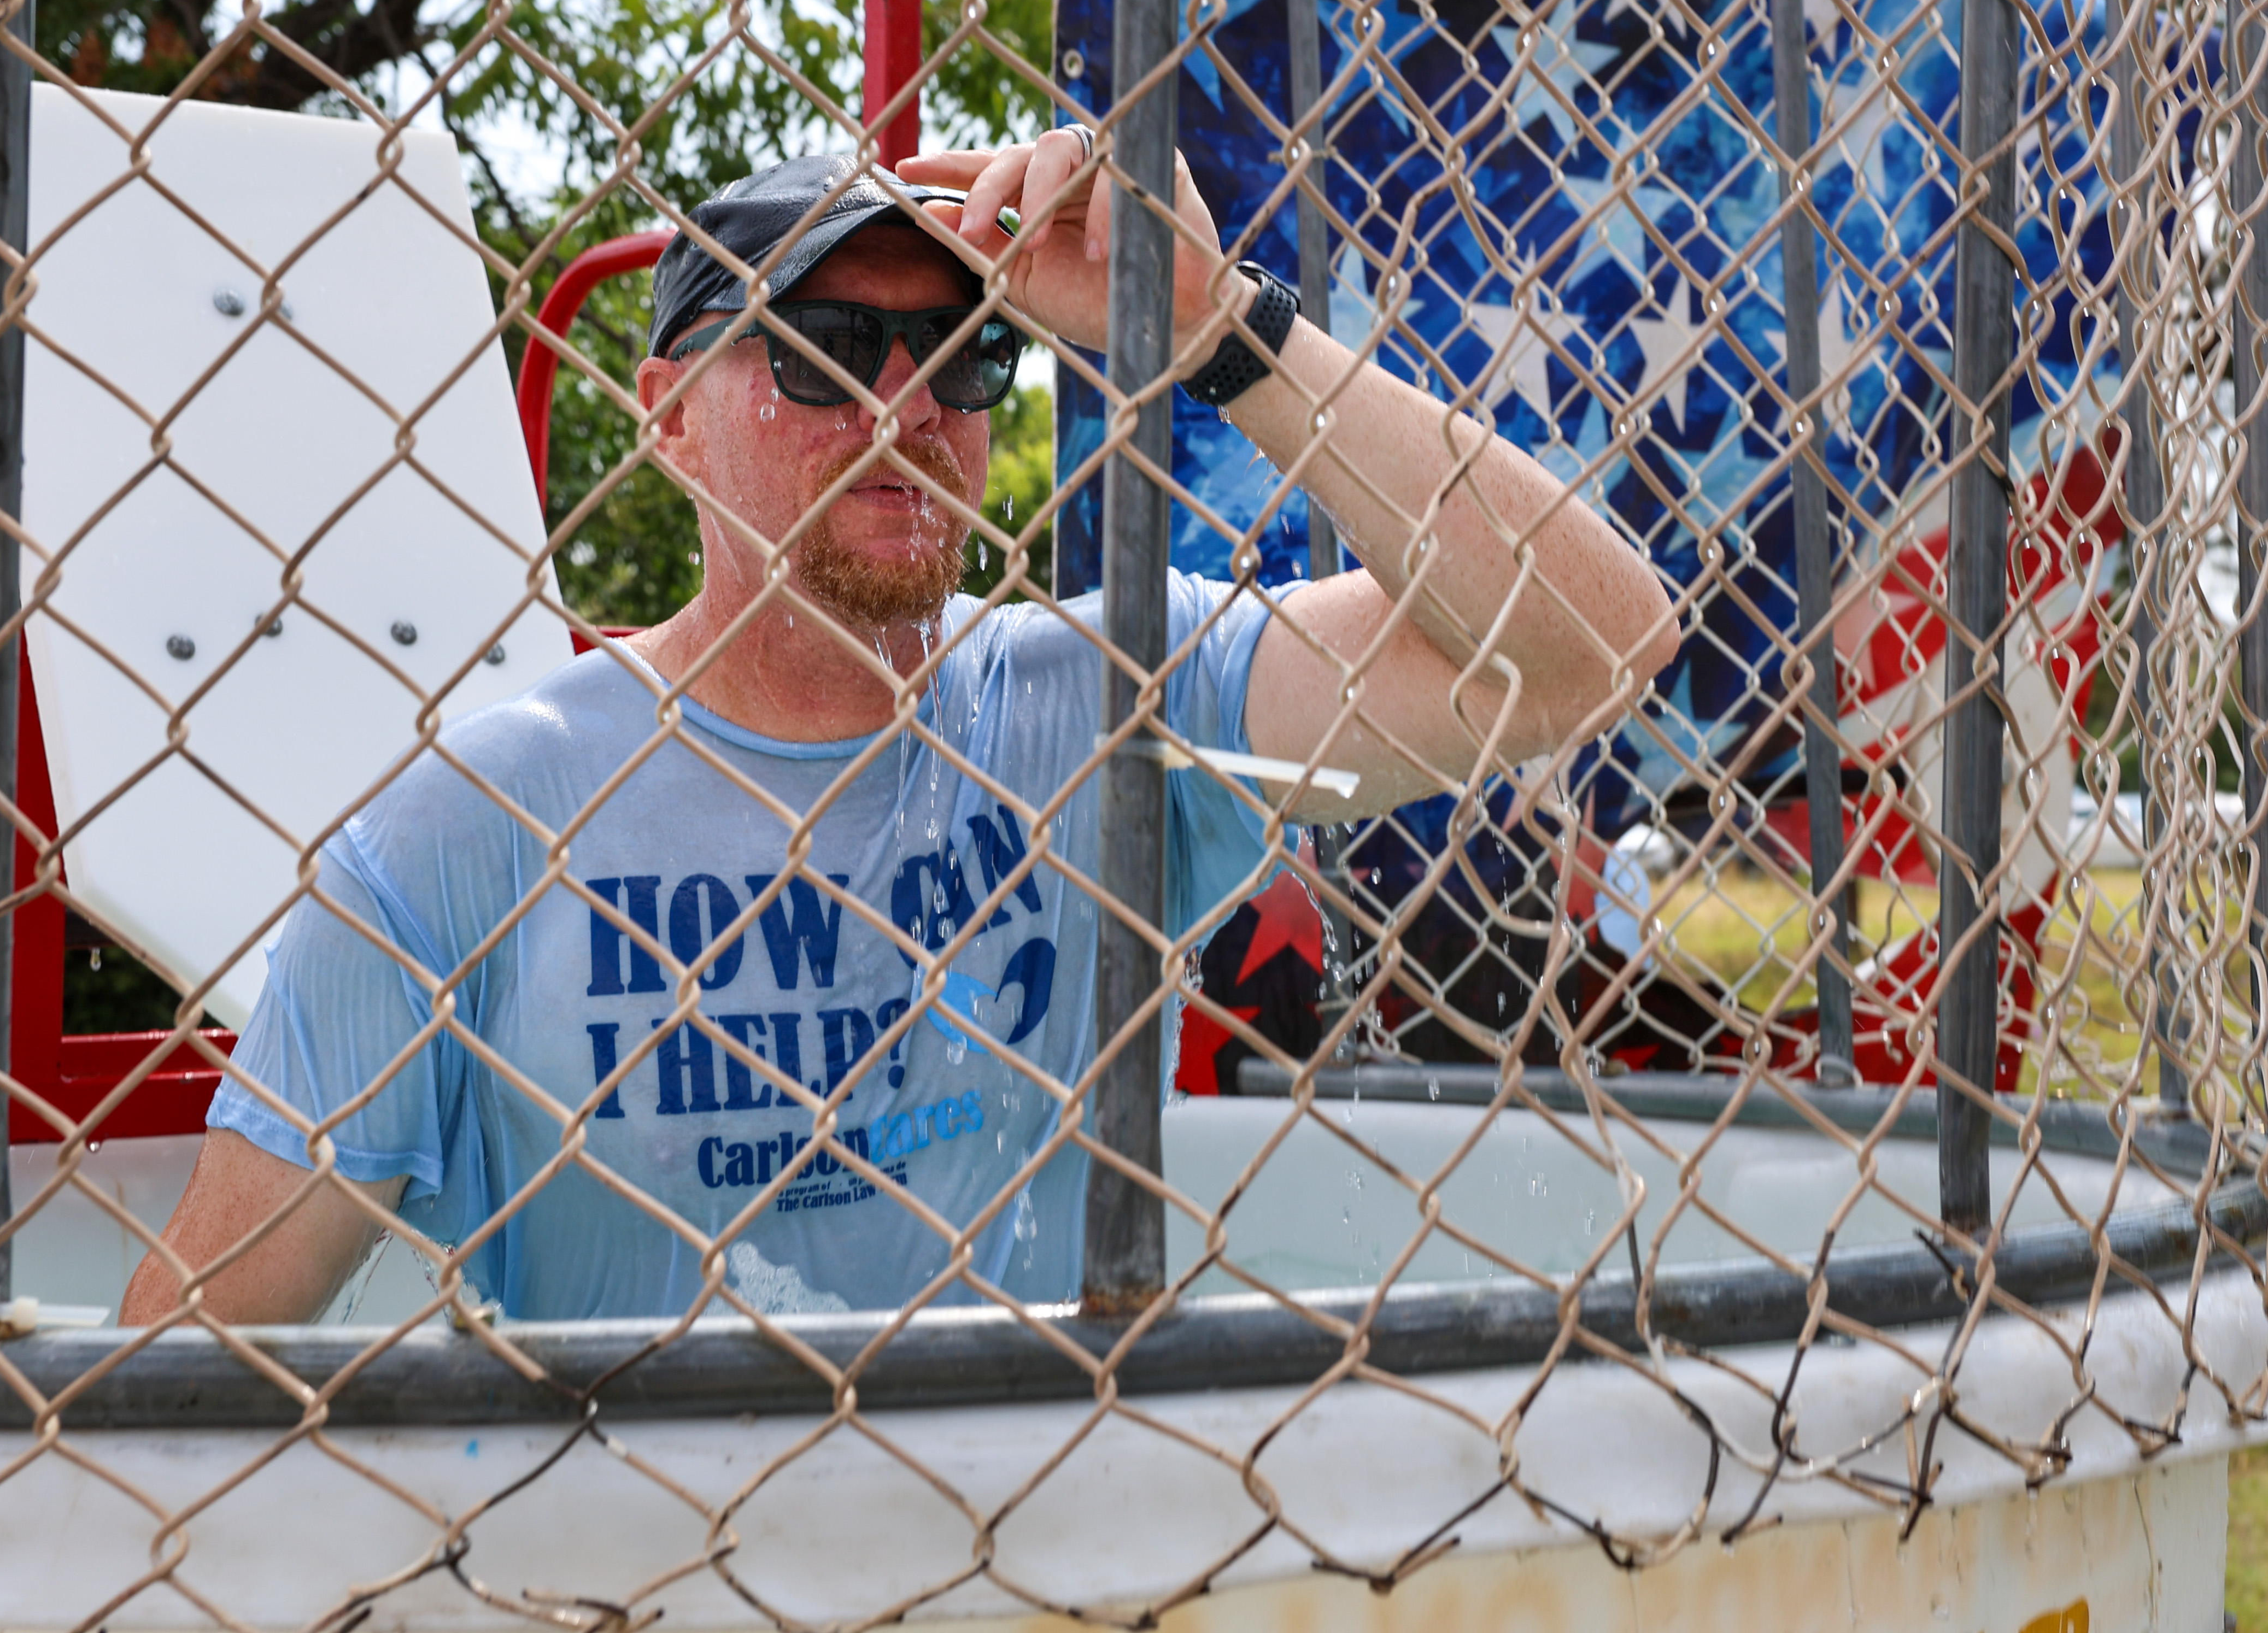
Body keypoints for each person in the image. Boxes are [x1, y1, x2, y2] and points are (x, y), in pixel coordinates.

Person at [119, 129, 1679, 1326]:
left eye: (962, 354)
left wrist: (1220, 331)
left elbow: (1595, 645)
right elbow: (185, 1376)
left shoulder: (1096, 704)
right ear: (666, 416)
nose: (903, 407)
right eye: (815, 353)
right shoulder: (472, 825)